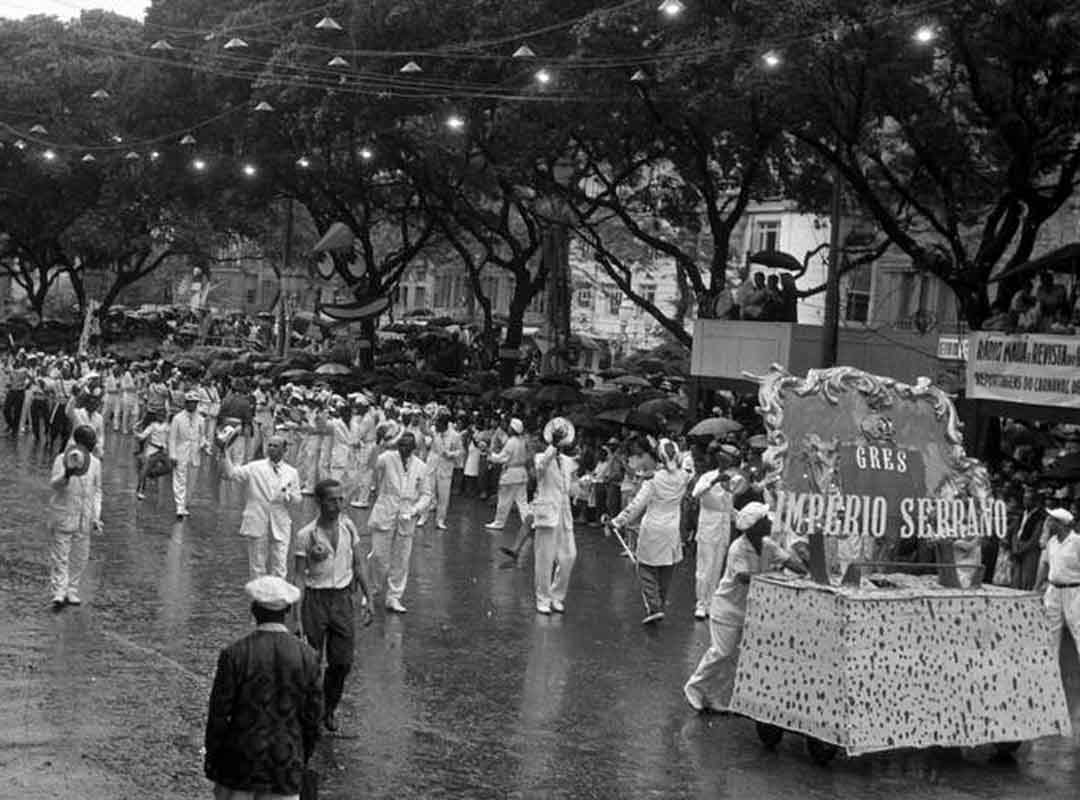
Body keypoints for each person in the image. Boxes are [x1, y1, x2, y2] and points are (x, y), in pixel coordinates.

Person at [204, 576, 322, 800]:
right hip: (285, 767)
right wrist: (301, 756)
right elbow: (312, 719)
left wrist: (213, 758)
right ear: (286, 611)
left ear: (254, 610)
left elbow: (218, 715)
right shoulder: (308, 657)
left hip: (239, 766)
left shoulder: (235, 655)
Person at [683, 502, 805, 713]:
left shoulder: (768, 545)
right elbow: (743, 577)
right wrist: (774, 577)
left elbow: (790, 562)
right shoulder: (738, 548)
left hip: (750, 610)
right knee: (721, 652)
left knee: (739, 658)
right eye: (765, 520)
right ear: (755, 527)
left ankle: (715, 697)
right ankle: (694, 687)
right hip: (727, 609)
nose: (770, 523)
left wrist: (806, 567)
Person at [294, 479, 374, 732]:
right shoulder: (305, 535)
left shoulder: (349, 526)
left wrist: (369, 597)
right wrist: (296, 616)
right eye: (332, 500)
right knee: (312, 661)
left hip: (342, 600)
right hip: (316, 600)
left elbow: (358, 564)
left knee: (342, 662)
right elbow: (298, 576)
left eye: (341, 499)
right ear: (319, 502)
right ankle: (309, 711)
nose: (338, 505)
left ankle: (329, 709)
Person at [611, 438, 692, 625]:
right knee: (666, 568)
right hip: (672, 529)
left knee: (646, 568)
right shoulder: (683, 477)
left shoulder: (653, 480)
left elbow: (637, 505)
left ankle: (654, 606)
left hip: (653, 528)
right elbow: (689, 469)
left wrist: (618, 521)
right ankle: (659, 604)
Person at [222, 432, 302, 580]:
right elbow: (232, 474)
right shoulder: (255, 467)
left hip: (280, 522)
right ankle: (258, 598)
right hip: (257, 520)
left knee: (280, 563)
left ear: (284, 450)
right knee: (257, 564)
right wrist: (224, 454)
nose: (271, 448)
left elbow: (297, 499)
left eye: (275, 446)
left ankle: (278, 598)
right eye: (269, 445)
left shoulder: (292, 472)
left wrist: (287, 496)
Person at [368, 429, 432, 614]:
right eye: (400, 444)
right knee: (378, 556)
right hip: (385, 510)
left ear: (414, 447)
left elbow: (427, 494)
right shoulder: (388, 457)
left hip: (406, 515)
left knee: (402, 559)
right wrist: (379, 444)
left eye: (407, 445)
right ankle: (371, 591)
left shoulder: (421, 466)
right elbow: (372, 464)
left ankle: (394, 597)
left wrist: (415, 510)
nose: (403, 448)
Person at [47, 425, 102, 609]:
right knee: (60, 555)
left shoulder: (95, 463)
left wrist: (96, 516)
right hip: (64, 513)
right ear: (80, 442)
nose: (94, 442)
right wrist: (67, 474)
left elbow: (97, 491)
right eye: (90, 439)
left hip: (84, 517)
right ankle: (59, 590)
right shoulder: (62, 459)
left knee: (80, 556)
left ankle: (72, 589)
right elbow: (54, 484)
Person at [531, 418, 578, 615]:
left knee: (569, 556)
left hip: (564, 513)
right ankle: (542, 598)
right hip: (547, 513)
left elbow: (570, 486)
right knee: (545, 558)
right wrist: (552, 447)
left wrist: (580, 486)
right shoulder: (541, 457)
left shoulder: (568, 462)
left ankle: (557, 596)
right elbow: (541, 467)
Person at [691, 448, 735, 621]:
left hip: (723, 528)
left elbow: (729, 508)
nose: (728, 463)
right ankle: (701, 603)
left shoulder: (734, 479)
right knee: (704, 568)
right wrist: (715, 481)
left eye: (730, 460)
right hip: (708, 527)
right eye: (725, 459)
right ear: (719, 460)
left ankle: (710, 603)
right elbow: (696, 493)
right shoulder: (707, 476)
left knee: (717, 568)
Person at [1035, 507, 1080, 665]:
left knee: (1078, 628)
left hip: (1074, 591)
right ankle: (1051, 668)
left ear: (1061, 524)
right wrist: (1036, 587)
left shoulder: (1077, 541)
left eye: (1052, 520)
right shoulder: (1052, 542)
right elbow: (1044, 564)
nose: (1048, 523)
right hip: (1053, 590)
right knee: (1050, 630)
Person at [485, 418, 531, 532]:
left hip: (510, 474)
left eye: (510, 427)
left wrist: (490, 454)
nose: (508, 429)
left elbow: (501, 458)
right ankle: (529, 523)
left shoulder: (511, 442)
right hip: (522, 473)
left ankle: (499, 522)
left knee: (504, 500)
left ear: (513, 429)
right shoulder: (523, 441)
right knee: (523, 502)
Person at [169, 390, 209, 519]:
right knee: (180, 478)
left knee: (191, 481)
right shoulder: (177, 418)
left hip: (195, 453)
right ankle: (179, 505)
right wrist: (172, 454)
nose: (193, 405)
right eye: (190, 403)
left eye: (195, 403)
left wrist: (204, 445)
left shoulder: (201, 419)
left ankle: (185, 503)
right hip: (181, 451)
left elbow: (202, 436)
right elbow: (172, 438)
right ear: (186, 403)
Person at [428, 411, 463, 530]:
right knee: (428, 491)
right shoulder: (434, 431)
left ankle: (440, 520)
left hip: (446, 467)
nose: (436, 426)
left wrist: (451, 454)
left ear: (445, 424)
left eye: (438, 424)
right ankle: (423, 517)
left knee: (443, 496)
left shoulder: (455, 435)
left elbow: (460, 452)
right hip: (432, 465)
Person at [1010, 486, 1047, 590]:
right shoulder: (1022, 513)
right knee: (1016, 579)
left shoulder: (1040, 516)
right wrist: (1014, 546)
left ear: (1034, 501)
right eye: (1024, 499)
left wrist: (1023, 549)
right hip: (1018, 546)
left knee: (1027, 578)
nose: (1024, 502)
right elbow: (1015, 531)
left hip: (1030, 550)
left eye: (1027, 499)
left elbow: (1035, 537)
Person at [135, 408, 170, 499]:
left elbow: (171, 438)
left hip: (163, 451)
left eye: (163, 415)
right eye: (159, 415)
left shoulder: (168, 426)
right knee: (144, 470)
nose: (161, 417)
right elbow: (143, 436)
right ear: (156, 416)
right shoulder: (152, 426)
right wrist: (137, 434)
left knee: (169, 467)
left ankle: (152, 474)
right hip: (153, 449)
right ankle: (140, 490)